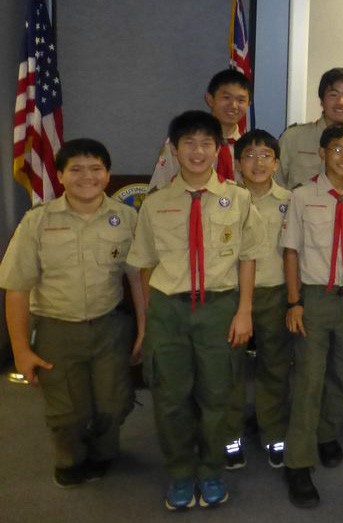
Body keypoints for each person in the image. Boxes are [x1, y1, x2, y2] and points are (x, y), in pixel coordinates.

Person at [128, 110, 265, 510]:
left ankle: (210, 471)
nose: (198, 151)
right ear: (173, 149)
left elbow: (249, 259)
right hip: (168, 310)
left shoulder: (237, 199)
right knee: (170, 398)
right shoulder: (155, 205)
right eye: (188, 143)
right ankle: (181, 473)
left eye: (207, 143)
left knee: (217, 395)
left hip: (219, 309)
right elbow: (143, 267)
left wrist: (245, 312)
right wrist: (145, 325)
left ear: (218, 149)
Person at [0, 139, 144, 488]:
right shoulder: (37, 221)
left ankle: (104, 452)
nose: (87, 176)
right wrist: (20, 350)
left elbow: (138, 278)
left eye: (96, 168)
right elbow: (17, 288)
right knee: (67, 411)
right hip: (56, 329)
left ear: (107, 174)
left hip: (109, 327)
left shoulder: (125, 218)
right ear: (61, 176)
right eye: (76, 169)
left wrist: (144, 329)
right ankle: (71, 459)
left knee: (113, 403)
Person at [279, 124, 343, 508]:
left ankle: (325, 434)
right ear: (322, 153)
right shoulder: (302, 197)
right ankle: (298, 462)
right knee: (308, 378)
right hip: (315, 300)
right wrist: (294, 303)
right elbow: (291, 252)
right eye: (337, 149)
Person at [222, 130, 293, 470]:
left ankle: (273, 433)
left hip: (275, 294)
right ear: (237, 164)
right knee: (229, 369)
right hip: (233, 295)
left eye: (266, 155)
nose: (258, 162)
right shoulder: (225, 201)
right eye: (249, 155)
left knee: (275, 367)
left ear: (277, 163)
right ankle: (231, 435)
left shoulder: (290, 201)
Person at [149, 69, 252, 189]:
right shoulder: (181, 142)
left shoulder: (249, 148)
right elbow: (159, 188)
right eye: (226, 97)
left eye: (241, 100)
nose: (233, 105)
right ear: (210, 99)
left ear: (248, 104)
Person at [277, 68, 343, 190]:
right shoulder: (292, 138)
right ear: (322, 100)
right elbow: (275, 185)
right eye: (333, 95)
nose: (341, 102)